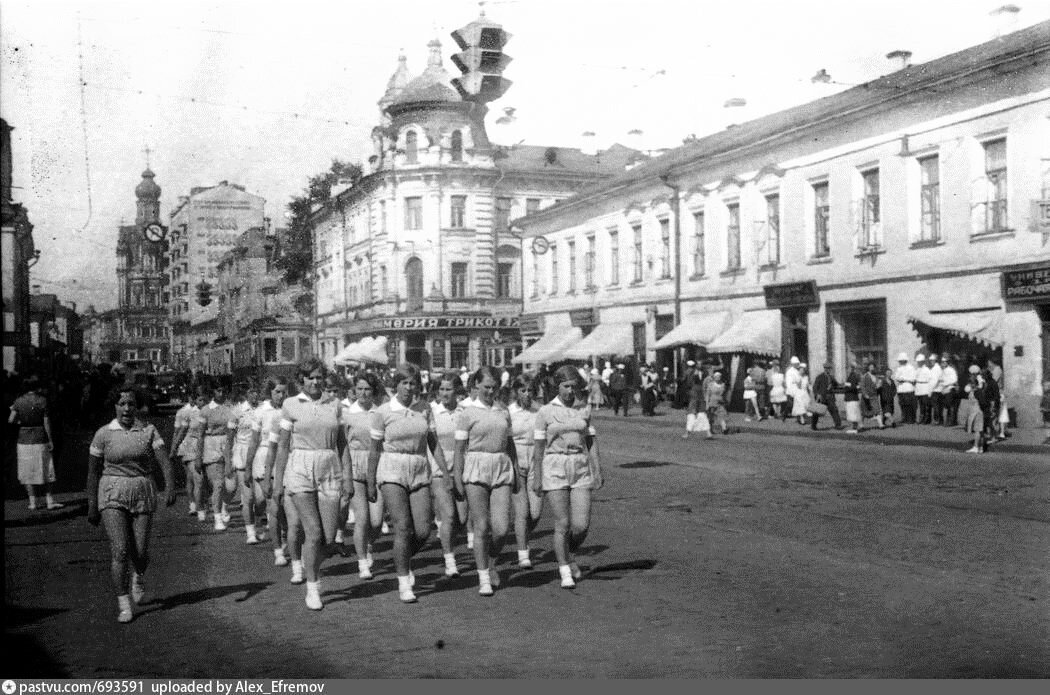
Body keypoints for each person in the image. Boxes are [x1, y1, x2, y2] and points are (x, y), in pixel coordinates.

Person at [86, 386, 176, 623]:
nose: (127, 409)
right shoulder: (103, 434)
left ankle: (139, 575)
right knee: (120, 549)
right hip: (111, 492)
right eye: (122, 404)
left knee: (140, 551)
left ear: (137, 407)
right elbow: (93, 473)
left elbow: (164, 462)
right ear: (115, 406)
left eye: (131, 404)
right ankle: (124, 604)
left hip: (142, 491)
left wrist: (169, 486)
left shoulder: (148, 430)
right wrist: (92, 504)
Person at [367, 363, 451, 603]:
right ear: (396, 385)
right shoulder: (383, 411)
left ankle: (401, 558)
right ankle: (404, 582)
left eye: (413, 383)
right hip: (392, 467)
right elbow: (374, 451)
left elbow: (433, 442)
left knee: (423, 530)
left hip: (419, 467)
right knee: (402, 527)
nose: (408, 387)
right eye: (404, 383)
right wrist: (371, 482)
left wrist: (444, 471)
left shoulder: (424, 409)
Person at [272, 358, 349, 610]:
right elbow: (283, 446)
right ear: (301, 380)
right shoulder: (290, 404)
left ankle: (311, 560)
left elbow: (342, 445)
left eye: (319, 377)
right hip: (300, 468)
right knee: (313, 532)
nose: (315, 381)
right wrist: (277, 482)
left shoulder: (334, 404)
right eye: (310, 377)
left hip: (329, 467)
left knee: (327, 538)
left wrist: (347, 477)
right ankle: (313, 587)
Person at [532, 365, 602, 589]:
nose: (570, 391)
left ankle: (568, 554)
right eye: (566, 386)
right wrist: (537, 477)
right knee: (562, 522)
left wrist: (597, 470)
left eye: (574, 386)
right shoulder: (545, 411)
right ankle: (564, 568)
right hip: (554, 465)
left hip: (579, 465)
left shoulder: (583, 410)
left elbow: (590, 441)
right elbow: (538, 447)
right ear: (557, 386)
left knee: (581, 525)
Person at [453, 366, 519, 596]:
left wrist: (517, 472)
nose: (490, 391)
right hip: (476, 467)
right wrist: (458, 479)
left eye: (494, 387)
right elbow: (459, 449)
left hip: (501, 466)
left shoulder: (503, 411)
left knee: (501, 528)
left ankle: (491, 561)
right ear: (476, 387)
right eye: (486, 387)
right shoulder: (467, 413)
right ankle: (483, 576)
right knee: (481, 526)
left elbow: (510, 445)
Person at [340, 371, 385, 579]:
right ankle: (362, 563)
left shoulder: (381, 413)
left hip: (377, 466)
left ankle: (368, 545)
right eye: (359, 389)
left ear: (374, 391)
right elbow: (342, 444)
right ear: (354, 390)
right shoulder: (347, 414)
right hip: (355, 464)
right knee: (362, 519)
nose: (364, 393)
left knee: (376, 522)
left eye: (367, 389)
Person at [429, 371, 469, 578]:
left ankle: (448, 538)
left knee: (462, 519)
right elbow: (431, 443)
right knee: (450, 516)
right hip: (439, 467)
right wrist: (444, 471)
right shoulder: (432, 412)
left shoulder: (465, 411)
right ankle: (449, 559)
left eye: (449, 389)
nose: (445, 393)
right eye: (441, 389)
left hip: (462, 467)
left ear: (457, 390)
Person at [248, 378, 291, 567]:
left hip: (288, 458)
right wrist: (248, 466)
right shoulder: (260, 412)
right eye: (277, 392)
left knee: (287, 508)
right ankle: (278, 550)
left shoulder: (290, 409)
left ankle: (289, 539)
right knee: (272, 507)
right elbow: (254, 441)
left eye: (283, 392)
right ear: (269, 392)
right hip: (266, 456)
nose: (281, 396)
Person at [9, 375, 62, 511]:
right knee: (46, 468)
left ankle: (32, 502)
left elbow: (11, 420)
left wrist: (21, 422)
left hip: (24, 439)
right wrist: (50, 439)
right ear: (37, 387)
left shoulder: (18, 401)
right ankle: (49, 500)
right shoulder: (42, 400)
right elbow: (46, 422)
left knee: (27, 471)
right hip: (40, 438)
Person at [509, 374, 543, 569]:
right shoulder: (509, 412)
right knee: (521, 512)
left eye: (530, 390)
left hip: (536, 461)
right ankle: (523, 553)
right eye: (523, 390)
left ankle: (522, 536)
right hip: (516, 460)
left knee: (536, 513)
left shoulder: (540, 411)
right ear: (516, 392)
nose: (527, 394)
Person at [228, 383, 266, 544]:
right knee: (248, 497)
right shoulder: (237, 411)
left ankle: (258, 520)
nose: (254, 395)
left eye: (257, 392)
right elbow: (230, 437)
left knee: (261, 498)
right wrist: (228, 460)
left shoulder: (264, 409)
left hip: (260, 452)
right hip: (243, 452)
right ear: (245, 394)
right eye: (251, 392)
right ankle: (250, 531)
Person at [194, 384, 234, 531]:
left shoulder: (229, 409)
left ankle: (224, 507)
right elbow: (200, 434)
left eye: (223, 390)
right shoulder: (206, 410)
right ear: (213, 392)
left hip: (228, 445)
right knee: (218, 484)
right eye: (218, 390)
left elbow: (232, 430)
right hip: (211, 445)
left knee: (231, 486)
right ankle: (217, 517)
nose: (221, 393)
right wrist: (198, 456)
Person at [169, 388, 206, 517]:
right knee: (194, 478)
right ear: (195, 400)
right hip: (190, 447)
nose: (203, 402)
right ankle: (194, 505)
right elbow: (180, 432)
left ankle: (201, 503)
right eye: (200, 399)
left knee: (202, 480)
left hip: (205, 447)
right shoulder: (188, 414)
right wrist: (173, 448)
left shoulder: (209, 412)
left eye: (204, 399)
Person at [963, 365, 991, 453]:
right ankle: (981, 447)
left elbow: (982, 402)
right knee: (980, 430)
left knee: (978, 430)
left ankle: (976, 446)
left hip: (977, 412)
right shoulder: (976, 390)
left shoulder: (977, 392)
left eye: (971, 383)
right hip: (977, 411)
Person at [810, 363, 842, 430]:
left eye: (829, 369)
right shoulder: (820, 377)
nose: (828, 370)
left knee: (834, 410)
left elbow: (836, 385)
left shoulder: (831, 377)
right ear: (824, 369)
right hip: (821, 397)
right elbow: (815, 387)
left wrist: (840, 385)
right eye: (826, 368)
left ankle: (838, 425)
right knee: (817, 412)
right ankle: (813, 426)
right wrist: (817, 394)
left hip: (830, 397)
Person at [682, 369, 710, 439]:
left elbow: (694, 398)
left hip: (694, 405)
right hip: (701, 404)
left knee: (691, 418)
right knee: (703, 417)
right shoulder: (701, 387)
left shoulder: (693, 388)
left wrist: (693, 408)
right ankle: (708, 433)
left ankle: (687, 433)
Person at [859, 362, 884, 430]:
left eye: (873, 367)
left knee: (877, 410)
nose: (872, 368)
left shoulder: (876, 376)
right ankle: (861, 425)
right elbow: (862, 386)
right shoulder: (865, 376)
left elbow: (877, 385)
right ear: (868, 368)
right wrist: (865, 394)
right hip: (866, 397)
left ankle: (881, 425)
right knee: (864, 412)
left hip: (874, 396)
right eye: (871, 367)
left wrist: (879, 385)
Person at [894, 353, 917, 424]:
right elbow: (896, 377)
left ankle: (911, 419)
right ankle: (904, 418)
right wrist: (901, 378)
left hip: (908, 388)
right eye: (900, 361)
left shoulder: (911, 368)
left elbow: (913, 379)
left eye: (902, 360)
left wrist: (903, 379)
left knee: (909, 405)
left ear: (905, 360)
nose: (900, 362)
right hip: (901, 389)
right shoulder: (899, 368)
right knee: (902, 404)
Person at [705, 370, 729, 435]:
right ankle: (710, 430)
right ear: (714, 377)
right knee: (711, 417)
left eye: (719, 377)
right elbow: (707, 394)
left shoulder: (723, 385)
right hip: (712, 403)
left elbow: (724, 394)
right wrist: (707, 404)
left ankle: (724, 429)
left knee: (722, 415)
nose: (718, 378)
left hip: (720, 403)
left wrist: (725, 401)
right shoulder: (710, 384)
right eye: (717, 376)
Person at [938, 356, 959, 428]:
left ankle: (951, 421)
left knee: (950, 406)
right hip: (944, 390)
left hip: (950, 389)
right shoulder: (943, 370)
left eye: (944, 362)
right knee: (946, 406)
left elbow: (954, 380)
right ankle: (947, 421)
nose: (943, 363)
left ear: (947, 363)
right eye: (942, 362)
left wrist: (945, 383)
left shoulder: (951, 370)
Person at [842, 362, 862, 433]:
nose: (847, 369)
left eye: (848, 368)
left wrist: (846, 385)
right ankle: (855, 427)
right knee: (853, 413)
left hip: (852, 397)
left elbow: (853, 387)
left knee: (853, 413)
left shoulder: (853, 376)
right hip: (851, 397)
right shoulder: (852, 375)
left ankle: (854, 429)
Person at [914, 354, 932, 425]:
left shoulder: (926, 369)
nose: (919, 363)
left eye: (920, 361)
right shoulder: (917, 369)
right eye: (918, 362)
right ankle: (921, 418)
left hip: (925, 387)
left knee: (925, 404)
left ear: (923, 362)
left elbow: (929, 379)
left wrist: (929, 390)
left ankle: (926, 419)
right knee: (921, 405)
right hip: (919, 388)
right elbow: (915, 378)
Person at [927, 354, 944, 426]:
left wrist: (930, 391)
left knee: (936, 406)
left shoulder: (935, 369)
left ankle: (937, 420)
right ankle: (940, 420)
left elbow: (935, 381)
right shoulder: (937, 368)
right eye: (930, 360)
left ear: (935, 361)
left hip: (935, 390)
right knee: (939, 406)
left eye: (932, 360)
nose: (931, 361)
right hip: (938, 389)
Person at [784, 356, 801, 421]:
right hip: (791, 389)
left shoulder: (796, 371)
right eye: (796, 363)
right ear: (793, 364)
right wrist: (790, 390)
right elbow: (788, 382)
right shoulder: (790, 371)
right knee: (790, 404)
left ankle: (798, 417)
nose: (797, 365)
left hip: (796, 388)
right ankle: (784, 415)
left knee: (797, 403)